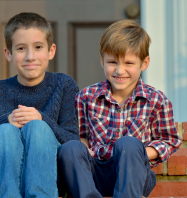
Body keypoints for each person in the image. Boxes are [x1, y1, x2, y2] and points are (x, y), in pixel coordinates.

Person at [57, 20, 182, 198]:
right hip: (95, 173)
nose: (119, 70)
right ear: (102, 61)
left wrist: (139, 153)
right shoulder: (85, 97)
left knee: (127, 144)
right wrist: (85, 148)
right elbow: (80, 135)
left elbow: (169, 140)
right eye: (112, 62)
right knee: (69, 148)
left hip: (134, 174)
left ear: (144, 63)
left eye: (129, 63)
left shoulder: (156, 100)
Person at [0, 12, 79, 198]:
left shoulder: (64, 85)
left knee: (38, 128)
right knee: (4, 131)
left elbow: (72, 143)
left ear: (51, 50)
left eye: (38, 47)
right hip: (6, 180)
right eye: (21, 49)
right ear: (8, 54)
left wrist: (43, 120)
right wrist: (6, 120)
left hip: (51, 178)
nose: (30, 56)